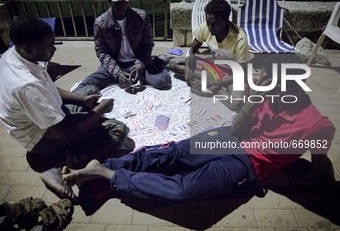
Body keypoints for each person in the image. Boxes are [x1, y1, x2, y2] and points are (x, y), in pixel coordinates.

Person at [45, 54, 337, 210]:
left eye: (265, 81)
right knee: (171, 153)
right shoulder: (266, 96)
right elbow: (236, 129)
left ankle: (109, 176)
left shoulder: (315, 126)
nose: (257, 82)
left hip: (246, 163)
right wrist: (254, 101)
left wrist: (329, 188)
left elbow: (321, 160)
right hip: (231, 138)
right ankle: (99, 168)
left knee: (184, 188)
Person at [0, 15, 133, 200]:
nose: (54, 49)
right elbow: (68, 132)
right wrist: (101, 110)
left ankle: (85, 110)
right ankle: (59, 167)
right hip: (42, 138)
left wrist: (83, 99)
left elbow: (46, 85)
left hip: (47, 114)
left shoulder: (13, 54)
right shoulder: (26, 85)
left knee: (90, 89)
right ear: (29, 49)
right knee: (117, 130)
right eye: (49, 47)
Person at [72, 0, 171, 92]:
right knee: (83, 86)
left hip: (137, 60)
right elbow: (102, 52)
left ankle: (155, 62)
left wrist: (139, 66)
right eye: (117, 2)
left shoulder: (141, 17)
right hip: (116, 63)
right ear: (109, 0)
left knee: (163, 81)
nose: (121, 6)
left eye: (123, 1)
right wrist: (118, 73)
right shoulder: (100, 23)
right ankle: (129, 72)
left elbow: (147, 45)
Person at [169, 0, 253, 111]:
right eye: (208, 23)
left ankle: (213, 88)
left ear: (225, 21)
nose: (210, 27)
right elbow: (193, 50)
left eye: (214, 24)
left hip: (231, 74)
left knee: (236, 103)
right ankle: (206, 81)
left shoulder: (239, 39)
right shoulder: (207, 27)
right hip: (212, 67)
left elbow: (242, 73)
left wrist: (215, 82)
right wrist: (189, 70)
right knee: (173, 63)